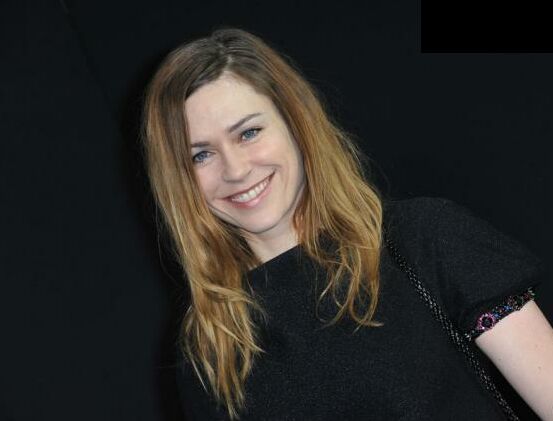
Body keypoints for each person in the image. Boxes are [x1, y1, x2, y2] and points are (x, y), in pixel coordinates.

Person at [141, 28, 553, 420]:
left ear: (296, 124)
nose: (235, 169)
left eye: (248, 133)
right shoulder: (209, 352)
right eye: (200, 155)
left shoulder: (425, 239)